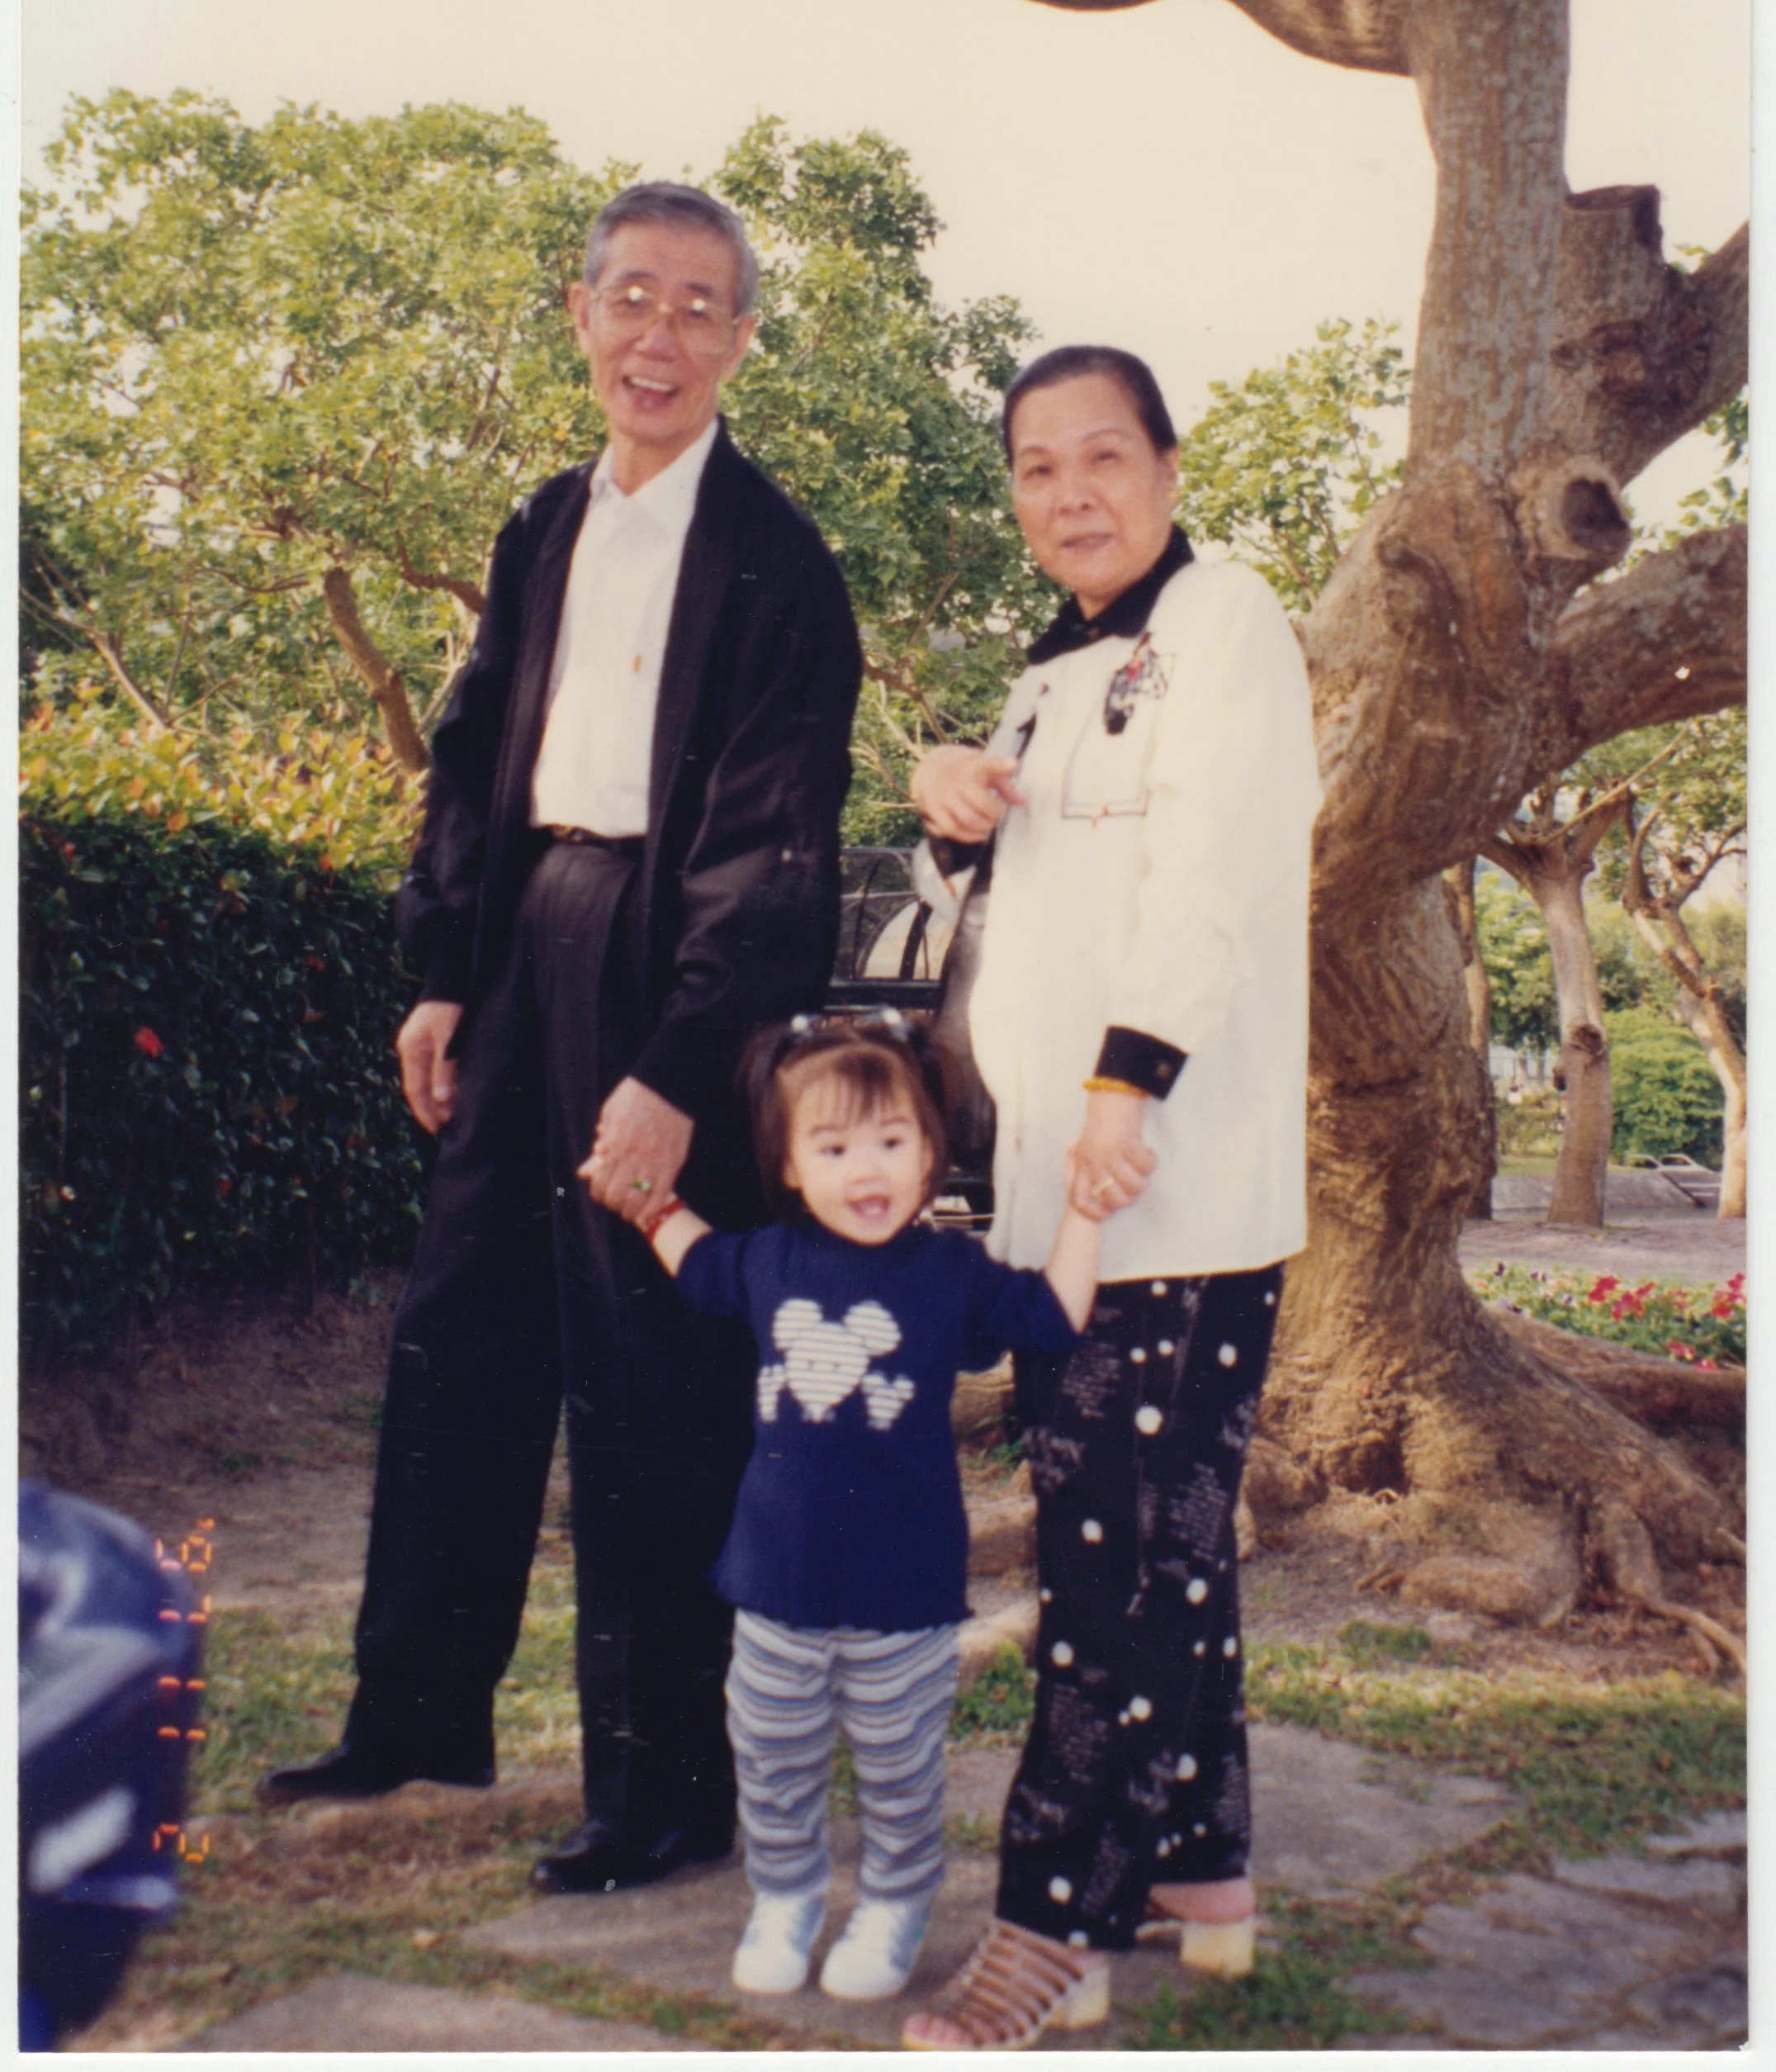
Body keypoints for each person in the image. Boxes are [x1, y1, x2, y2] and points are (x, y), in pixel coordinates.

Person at [258, 183, 864, 1902]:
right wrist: (445, 971)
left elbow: (775, 844)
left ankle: (668, 1788)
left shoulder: (776, 562)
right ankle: (415, 1711)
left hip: (676, 968)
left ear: (743, 338)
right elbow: (472, 760)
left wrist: (677, 1068)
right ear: (582, 315)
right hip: (527, 943)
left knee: (654, 1372)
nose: (659, 336)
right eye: (631, 299)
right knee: (460, 1328)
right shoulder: (542, 525)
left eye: (698, 307)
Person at [900, 345, 1321, 2050]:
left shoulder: (1224, 623)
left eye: (1101, 456)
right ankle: (1198, 1874)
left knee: (1109, 1565)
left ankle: (1050, 1927)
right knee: (1160, 1542)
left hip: (1165, 1180)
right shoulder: (1046, 669)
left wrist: (1121, 1083)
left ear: (1165, 464)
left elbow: (1211, 873)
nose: (1069, 493)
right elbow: (1008, 894)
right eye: (1035, 466)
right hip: (1052, 1189)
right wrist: (944, 805)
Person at [631, 1012, 1100, 2004]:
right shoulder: (769, 1261)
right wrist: (642, 1199)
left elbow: (1054, 1315)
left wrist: (1086, 1213)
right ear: (790, 1167)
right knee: (772, 1755)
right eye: (833, 1148)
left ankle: (895, 1903)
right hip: (775, 1585)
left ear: (930, 1152)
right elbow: (695, 1257)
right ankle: (786, 1896)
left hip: (903, 1593)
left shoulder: (949, 1272)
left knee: (897, 1767)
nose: (866, 1169)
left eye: (892, 1140)